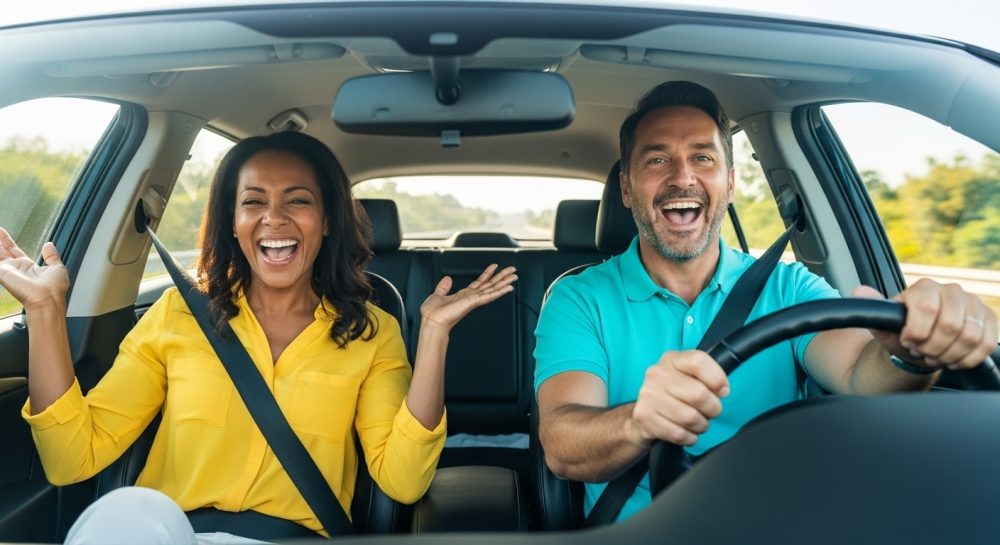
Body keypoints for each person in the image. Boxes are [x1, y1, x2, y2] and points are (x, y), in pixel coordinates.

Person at [0, 131, 517, 543]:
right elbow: (72, 460)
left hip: (291, 537)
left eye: (297, 200)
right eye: (254, 201)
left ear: (328, 219)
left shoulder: (372, 333)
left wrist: (434, 334)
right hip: (169, 533)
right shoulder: (179, 314)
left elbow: (403, 480)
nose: (274, 217)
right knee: (129, 511)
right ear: (232, 220)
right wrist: (44, 310)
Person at [533, 81, 998, 523]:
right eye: (657, 160)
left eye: (703, 157)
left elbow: (861, 373)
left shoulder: (791, 287)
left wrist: (909, 354)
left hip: (779, 524)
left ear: (731, 183)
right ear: (628, 190)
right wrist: (640, 421)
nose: (683, 177)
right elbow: (562, 443)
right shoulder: (579, 298)